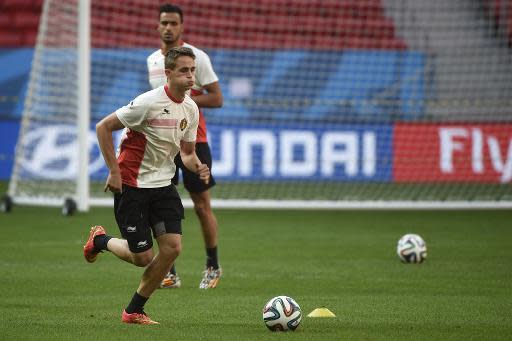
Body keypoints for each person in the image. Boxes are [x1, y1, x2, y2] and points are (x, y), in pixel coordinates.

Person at [84, 46, 209, 324]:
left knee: (172, 248)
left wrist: (197, 164)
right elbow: (103, 127)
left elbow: (186, 153)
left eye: (193, 70)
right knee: (142, 257)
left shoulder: (191, 108)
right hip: (132, 185)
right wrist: (113, 171)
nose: (190, 76)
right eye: (184, 71)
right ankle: (100, 241)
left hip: (164, 186)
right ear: (168, 74)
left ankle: (134, 310)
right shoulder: (147, 103)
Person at [147, 4, 223, 290]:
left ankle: (213, 266)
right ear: (157, 26)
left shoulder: (196, 57)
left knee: (202, 206)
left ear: (181, 27)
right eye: (164, 23)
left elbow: (217, 98)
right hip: (164, 144)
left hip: (194, 141)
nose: (168, 27)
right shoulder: (152, 61)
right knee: (161, 204)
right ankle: (170, 272)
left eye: (173, 23)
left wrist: (184, 99)